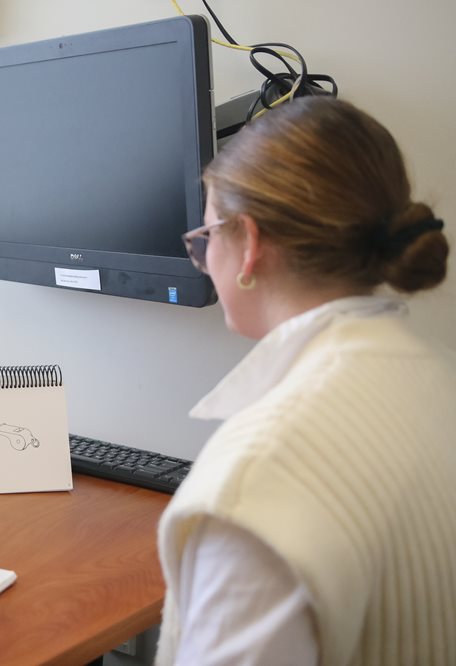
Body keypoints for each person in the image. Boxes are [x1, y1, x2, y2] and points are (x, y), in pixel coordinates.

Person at [157, 96, 456, 665]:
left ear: (249, 244)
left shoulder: (258, 479)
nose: (205, 257)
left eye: (208, 234)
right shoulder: (442, 376)